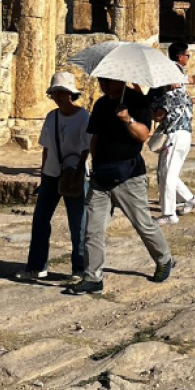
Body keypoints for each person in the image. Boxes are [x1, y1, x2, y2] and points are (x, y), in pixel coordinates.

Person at [67, 78, 173, 295]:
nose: (103, 85)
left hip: (129, 176)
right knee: (92, 228)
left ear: (121, 80)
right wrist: (94, 164)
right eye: (101, 81)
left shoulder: (138, 102)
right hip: (101, 176)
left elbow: (143, 135)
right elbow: (95, 136)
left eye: (108, 81)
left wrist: (127, 119)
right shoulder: (101, 104)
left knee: (142, 223)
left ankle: (164, 259)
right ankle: (93, 277)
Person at [18, 72, 90, 282]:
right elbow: (46, 148)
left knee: (78, 224)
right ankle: (37, 266)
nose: (58, 97)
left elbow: (86, 148)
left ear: (71, 94)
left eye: (62, 93)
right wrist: (43, 174)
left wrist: (79, 172)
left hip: (74, 175)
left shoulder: (84, 117)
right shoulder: (51, 117)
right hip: (51, 175)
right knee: (40, 221)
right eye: (55, 93)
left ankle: (79, 268)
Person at [152, 42, 195, 225]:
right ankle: (190, 199)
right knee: (166, 172)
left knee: (168, 175)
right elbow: (189, 85)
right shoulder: (174, 79)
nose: (188, 58)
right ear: (180, 56)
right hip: (181, 134)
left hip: (175, 134)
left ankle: (169, 214)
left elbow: (159, 115)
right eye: (187, 55)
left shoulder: (174, 88)